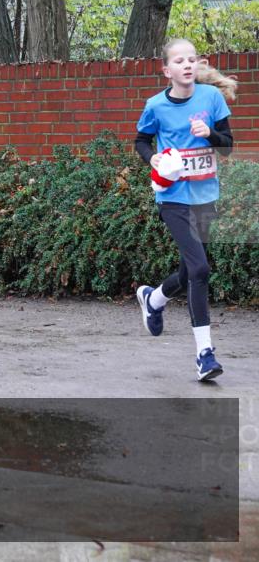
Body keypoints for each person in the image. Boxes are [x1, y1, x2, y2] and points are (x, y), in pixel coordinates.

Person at [133, 39, 237, 382]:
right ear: (168, 71)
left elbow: (227, 146)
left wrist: (210, 134)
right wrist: (154, 158)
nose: (187, 65)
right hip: (173, 198)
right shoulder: (155, 106)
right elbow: (141, 141)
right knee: (201, 269)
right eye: (179, 61)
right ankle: (205, 355)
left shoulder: (211, 99)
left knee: (190, 272)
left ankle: (154, 299)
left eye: (192, 59)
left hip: (205, 196)